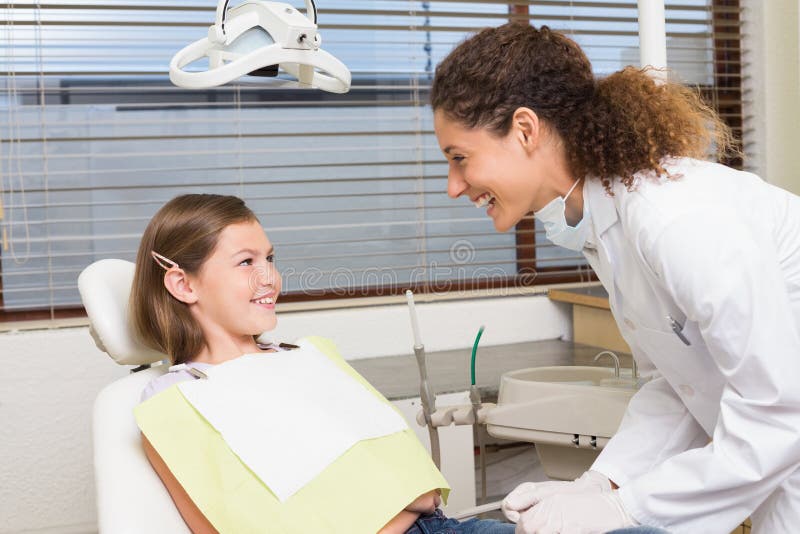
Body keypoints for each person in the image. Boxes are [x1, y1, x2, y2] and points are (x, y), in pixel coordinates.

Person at [430, 22, 800, 534]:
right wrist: (600, 484)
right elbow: (680, 385)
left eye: (459, 159)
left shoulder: (673, 220)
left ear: (525, 129)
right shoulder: (608, 227)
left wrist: (622, 509)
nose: (453, 186)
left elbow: (779, 411)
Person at [130, 193, 516, 534]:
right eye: (246, 262)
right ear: (183, 284)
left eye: (270, 258)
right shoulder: (175, 401)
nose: (270, 278)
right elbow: (226, 524)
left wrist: (404, 500)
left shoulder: (303, 357)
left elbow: (422, 486)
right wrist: (401, 507)